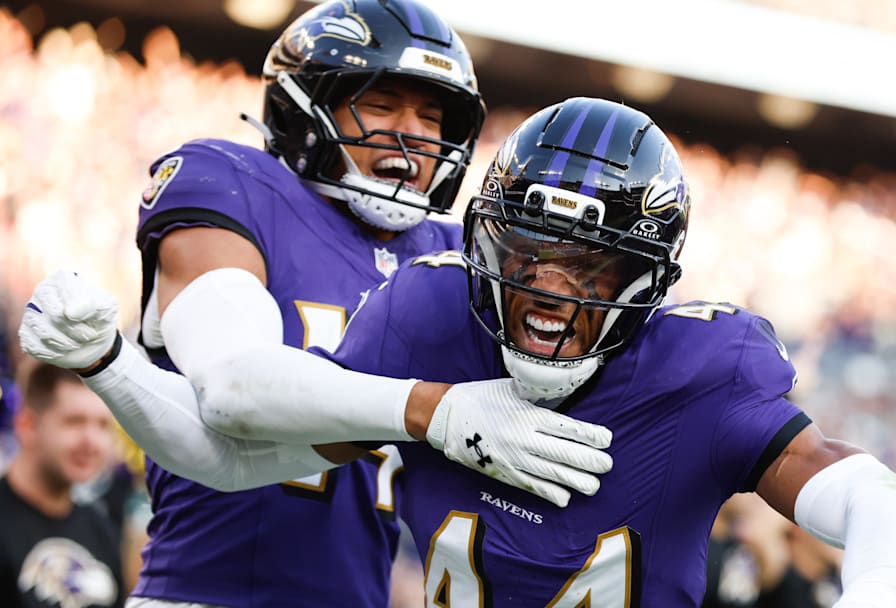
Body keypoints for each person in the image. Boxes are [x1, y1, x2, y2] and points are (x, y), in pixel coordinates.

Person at [23, 97, 896, 605]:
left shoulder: (704, 370)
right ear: (481, 243)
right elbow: (225, 457)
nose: (550, 290)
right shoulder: (429, 320)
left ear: (649, 280)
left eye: (590, 267)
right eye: (527, 255)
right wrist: (114, 363)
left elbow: (884, 507)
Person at [19, 2, 614, 606]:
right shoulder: (235, 183)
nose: (414, 133)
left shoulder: (447, 254)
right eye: (381, 105)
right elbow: (232, 388)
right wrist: (434, 409)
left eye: (434, 117)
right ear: (305, 109)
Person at [0, 362, 124, 608]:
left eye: (102, 425)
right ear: (27, 425)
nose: (92, 441)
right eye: (74, 422)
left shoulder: (101, 529)